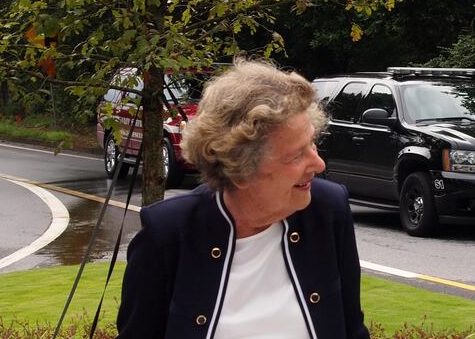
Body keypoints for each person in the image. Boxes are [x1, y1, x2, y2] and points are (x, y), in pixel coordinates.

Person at [116, 59, 369, 339]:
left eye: (312, 142)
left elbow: (352, 330)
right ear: (241, 169)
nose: (318, 164)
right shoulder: (166, 237)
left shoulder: (328, 211)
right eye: (296, 155)